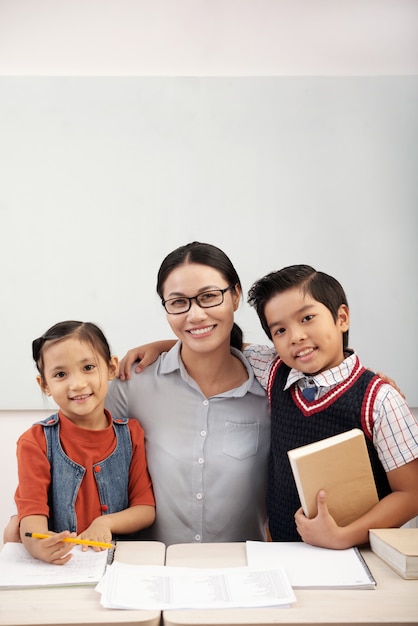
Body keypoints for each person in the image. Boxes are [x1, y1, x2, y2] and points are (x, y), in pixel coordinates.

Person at [245, 264, 418, 549]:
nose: (296, 336)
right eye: (280, 330)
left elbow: (411, 494)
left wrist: (342, 537)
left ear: (342, 317)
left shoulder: (379, 399)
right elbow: (223, 346)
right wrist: (161, 347)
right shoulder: (274, 370)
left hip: (355, 557)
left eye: (307, 318)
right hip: (283, 552)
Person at [14, 321, 155, 564]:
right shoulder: (35, 442)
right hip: (65, 565)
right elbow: (31, 514)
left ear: (111, 368)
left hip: (124, 563)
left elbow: (145, 509)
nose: (77, 384)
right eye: (60, 374)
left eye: (88, 367)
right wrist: (38, 545)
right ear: (45, 385)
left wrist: (105, 522)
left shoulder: (131, 434)